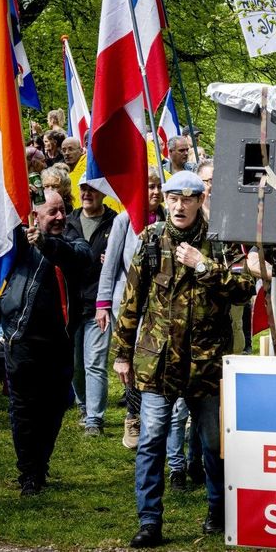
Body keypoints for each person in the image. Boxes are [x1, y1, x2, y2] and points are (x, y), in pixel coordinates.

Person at [112, 171, 253, 548]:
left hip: (206, 364)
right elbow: (131, 300)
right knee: (152, 441)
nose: (179, 206)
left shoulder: (220, 239)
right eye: (173, 198)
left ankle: (217, 511)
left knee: (212, 442)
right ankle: (149, 521)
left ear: (199, 199)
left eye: (187, 199)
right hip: (159, 363)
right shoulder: (150, 240)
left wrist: (202, 266)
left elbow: (245, 288)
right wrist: (122, 354)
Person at [1, 189, 91, 496]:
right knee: (24, 408)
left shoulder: (71, 239)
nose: (59, 217)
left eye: (62, 210)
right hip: (22, 339)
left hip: (59, 343)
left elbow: (79, 258)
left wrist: (46, 242)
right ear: (34, 215)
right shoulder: (17, 241)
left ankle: (40, 463)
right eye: (51, 212)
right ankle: (29, 472)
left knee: (54, 407)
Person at [96, 168, 163, 449]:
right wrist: (102, 304)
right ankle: (133, 416)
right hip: (128, 304)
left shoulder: (168, 221)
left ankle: (156, 414)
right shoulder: (124, 220)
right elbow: (110, 265)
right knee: (132, 362)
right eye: (149, 187)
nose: (155, 192)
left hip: (160, 305)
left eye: (159, 187)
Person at [65, 179, 118, 436]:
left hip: (100, 303)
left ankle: (95, 419)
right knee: (75, 363)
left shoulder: (116, 222)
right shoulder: (68, 222)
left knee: (94, 362)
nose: (87, 194)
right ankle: (84, 406)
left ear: (103, 193)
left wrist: (114, 260)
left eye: (93, 189)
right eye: (83, 189)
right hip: (71, 304)